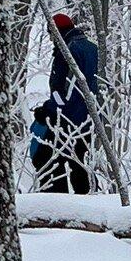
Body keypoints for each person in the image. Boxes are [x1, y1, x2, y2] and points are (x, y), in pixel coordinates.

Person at [30, 12, 97, 194]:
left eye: (51, 34)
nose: (51, 39)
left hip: (66, 121)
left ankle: (56, 209)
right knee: (80, 166)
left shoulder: (67, 51)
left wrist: (49, 110)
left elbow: (65, 92)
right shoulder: (92, 49)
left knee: (47, 162)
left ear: (56, 32)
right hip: (89, 120)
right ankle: (90, 205)